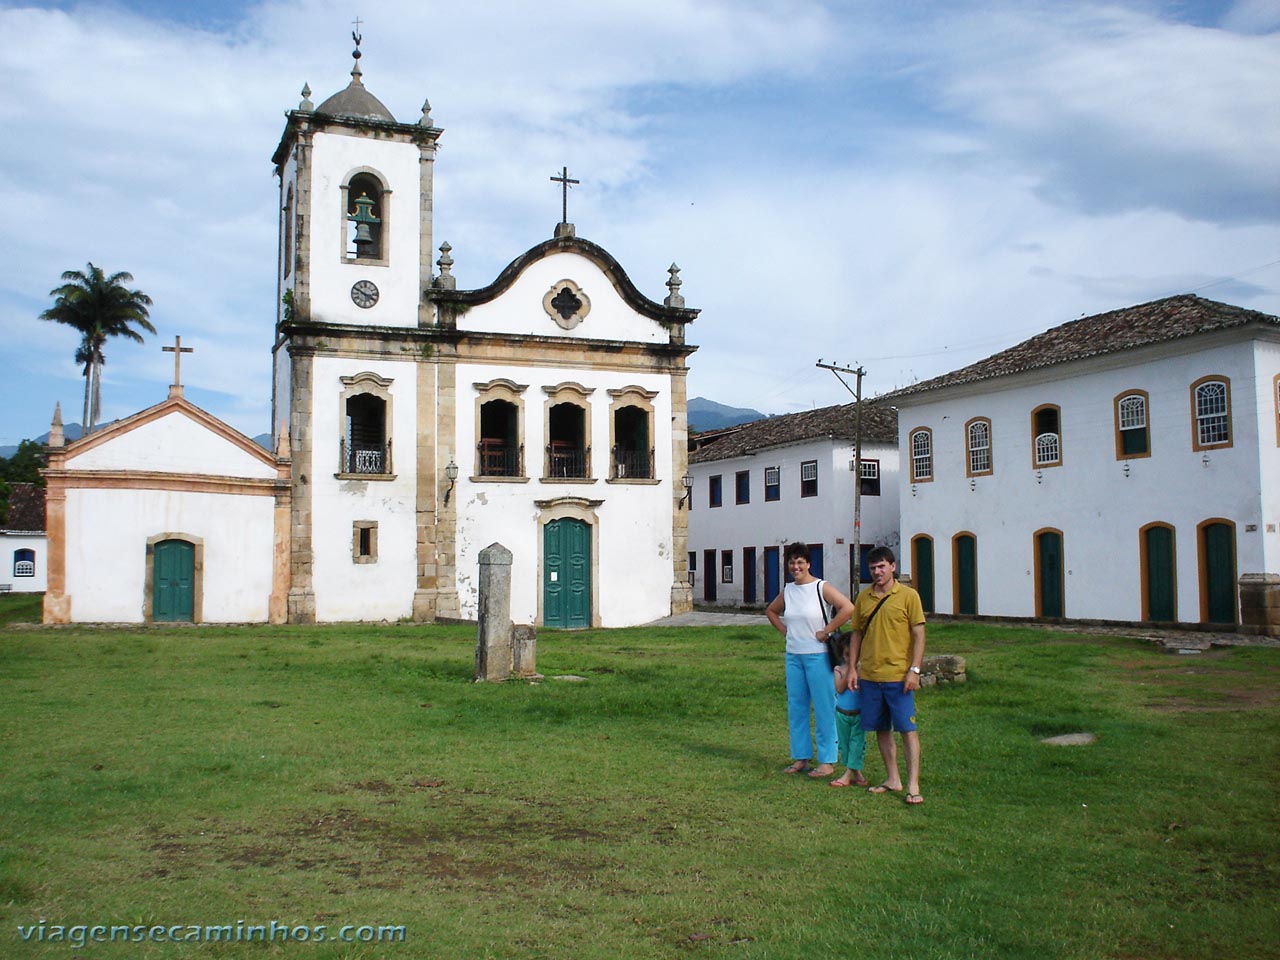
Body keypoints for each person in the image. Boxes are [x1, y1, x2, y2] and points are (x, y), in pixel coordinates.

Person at [765, 542, 855, 778]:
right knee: (797, 707)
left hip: (818, 656)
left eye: (800, 562)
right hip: (794, 655)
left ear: (808, 564)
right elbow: (771, 611)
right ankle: (801, 757)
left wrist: (827, 630)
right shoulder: (788, 590)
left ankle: (827, 760)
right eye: (792, 562)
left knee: (825, 707)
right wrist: (785, 631)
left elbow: (847, 608)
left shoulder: (820, 587)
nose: (796, 567)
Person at [847, 546, 927, 805]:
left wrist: (914, 669)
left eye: (882, 566)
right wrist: (852, 667)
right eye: (873, 568)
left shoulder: (908, 596)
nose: (877, 572)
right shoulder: (863, 597)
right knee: (881, 728)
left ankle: (913, 784)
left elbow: (918, 634)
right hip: (870, 675)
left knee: (907, 729)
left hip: (899, 676)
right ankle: (893, 778)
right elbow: (857, 633)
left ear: (893, 566)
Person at [829, 631, 868, 788]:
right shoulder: (838, 670)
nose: (851, 659)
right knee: (844, 745)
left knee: (857, 743)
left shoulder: (863, 670)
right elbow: (839, 688)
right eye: (847, 655)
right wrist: (850, 672)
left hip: (858, 714)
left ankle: (847, 774)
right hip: (842, 714)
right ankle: (856, 773)